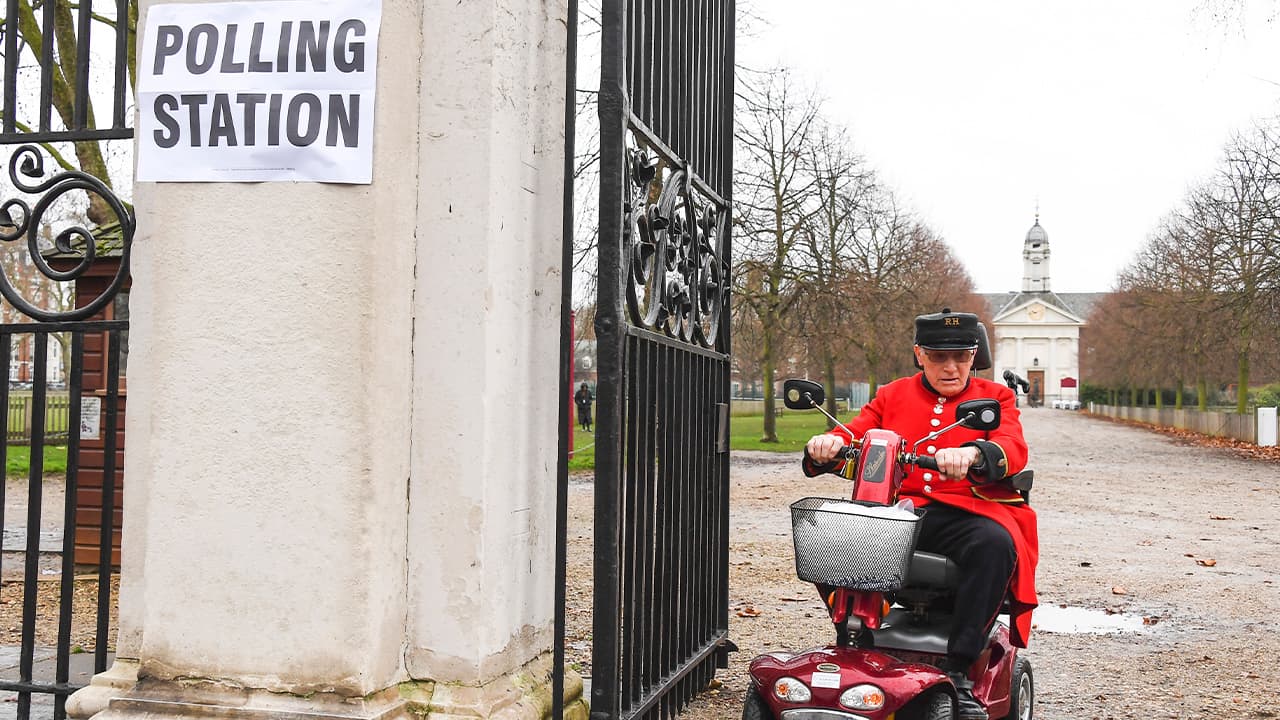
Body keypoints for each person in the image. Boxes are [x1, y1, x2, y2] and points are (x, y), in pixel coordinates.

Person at [802, 309, 1038, 720]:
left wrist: (972, 453)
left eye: (962, 357)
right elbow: (857, 430)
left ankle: (960, 668)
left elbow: (1011, 445)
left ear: (974, 355)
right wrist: (828, 442)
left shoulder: (995, 398)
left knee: (994, 544)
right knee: (827, 532)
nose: (951, 367)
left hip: (966, 511)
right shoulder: (893, 394)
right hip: (900, 510)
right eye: (937, 356)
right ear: (919, 354)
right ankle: (854, 639)